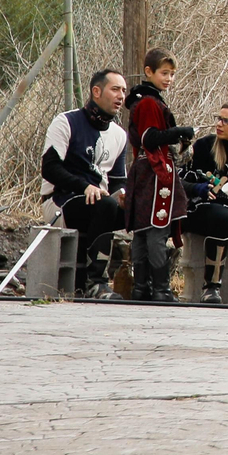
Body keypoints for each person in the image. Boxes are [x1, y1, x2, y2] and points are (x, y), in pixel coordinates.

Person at [40, 69, 130, 300]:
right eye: (115, 89)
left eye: (124, 90)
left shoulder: (119, 134)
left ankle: (147, 286)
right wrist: (84, 187)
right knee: (105, 205)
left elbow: (119, 179)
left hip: (100, 203)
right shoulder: (66, 121)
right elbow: (50, 168)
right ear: (96, 91)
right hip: (61, 200)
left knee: (143, 210)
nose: (121, 96)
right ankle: (96, 283)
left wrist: (124, 194)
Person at [123, 48, 196, 302]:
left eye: (172, 74)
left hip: (143, 171)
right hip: (155, 172)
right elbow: (150, 137)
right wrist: (178, 132)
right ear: (148, 72)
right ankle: (161, 290)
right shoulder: (149, 103)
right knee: (156, 230)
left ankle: (141, 288)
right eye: (164, 73)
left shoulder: (145, 100)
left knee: (143, 231)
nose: (169, 79)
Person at [177, 101, 228, 303]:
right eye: (218, 119)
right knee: (221, 216)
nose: (219, 124)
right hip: (199, 208)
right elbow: (179, 179)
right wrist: (198, 188)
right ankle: (211, 287)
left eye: (226, 120)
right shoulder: (204, 146)